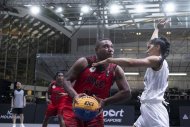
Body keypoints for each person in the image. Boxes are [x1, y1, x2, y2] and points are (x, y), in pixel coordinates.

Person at [92, 19, 170, 127]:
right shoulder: (158, 58)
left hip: (154, 111)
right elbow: (154, 41)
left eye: (149, 47)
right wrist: (157, 28)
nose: (147, 49)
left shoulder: (156, 59)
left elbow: (130, 62)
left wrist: (109, 60)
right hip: (147, 108)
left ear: (157, 47)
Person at [62, 38, 131, 127]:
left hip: (95, 110)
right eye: (105, 46)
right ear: (96, 50)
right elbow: (66, 80)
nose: (110, 49)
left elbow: (126, 92)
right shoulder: (84, 62)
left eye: (111, 47)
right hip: (74, 107)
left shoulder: (116, 69)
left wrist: (105, 101)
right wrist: (75, 95)